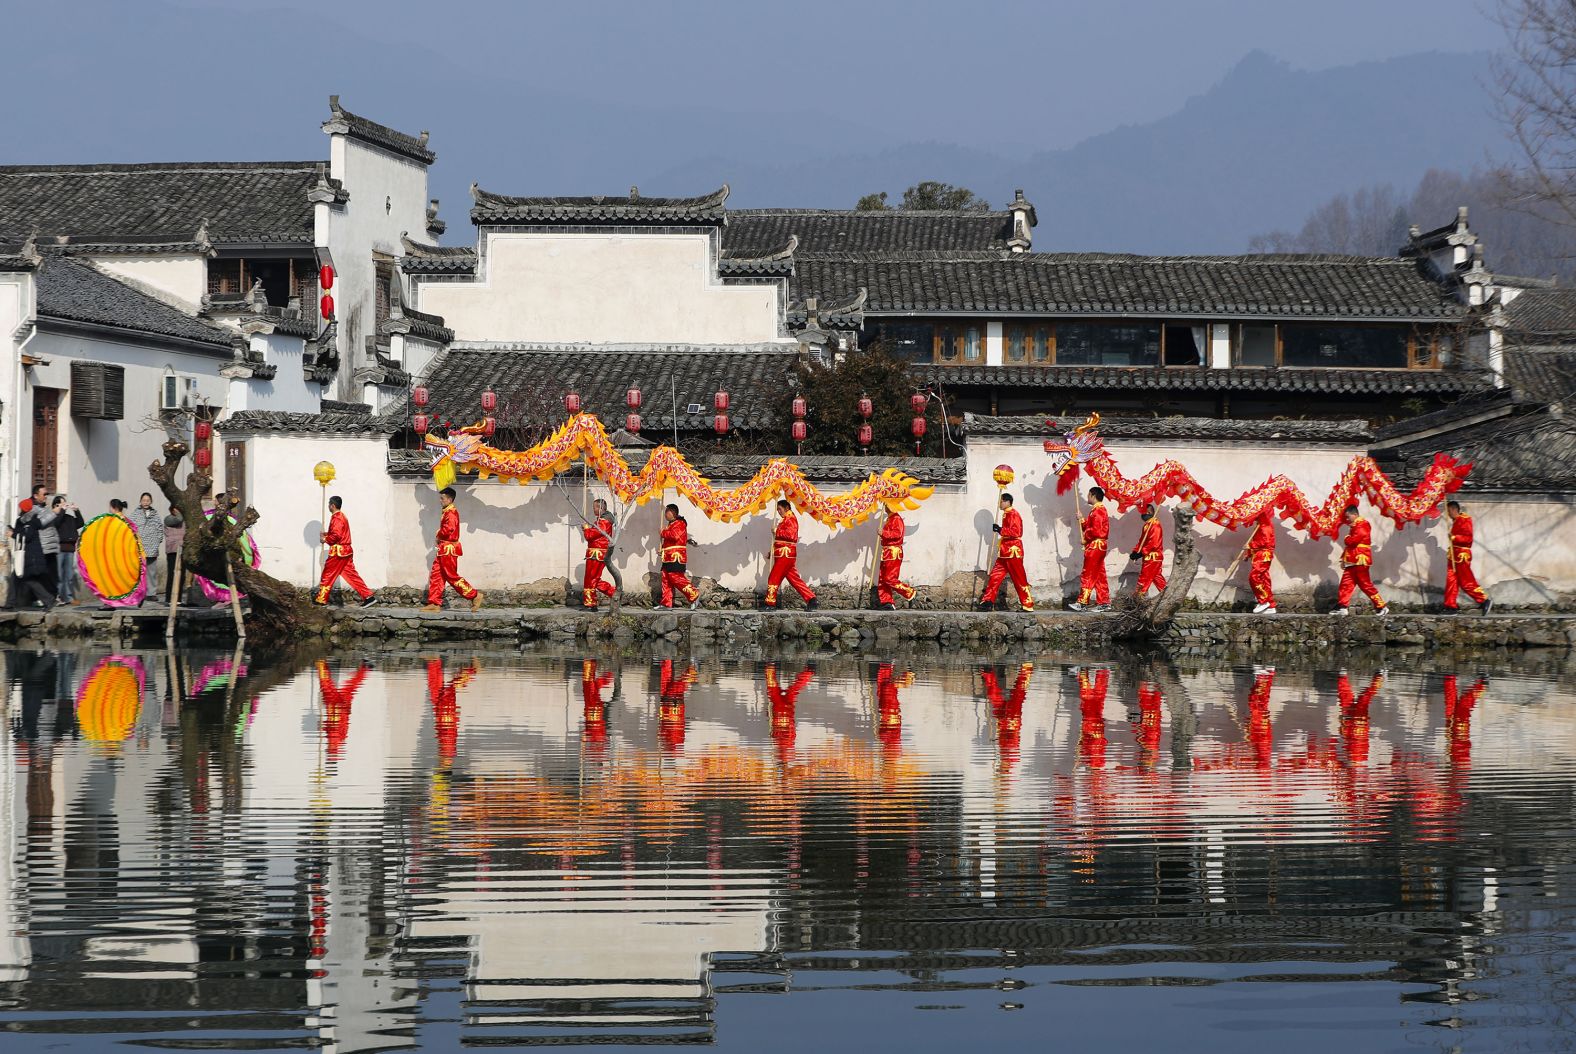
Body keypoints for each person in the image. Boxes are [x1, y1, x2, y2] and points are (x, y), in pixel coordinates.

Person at [423, 487, 482, 612]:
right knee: (436, 575)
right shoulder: (448, 511)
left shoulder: (451, 513)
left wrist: (438, 534)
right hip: (444, 548)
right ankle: (434, 602)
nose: (440, 501)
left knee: (451, 576)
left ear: (449, 499)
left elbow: (448, 529)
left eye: (442, 498)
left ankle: (474, 595)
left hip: (449, 548)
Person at [316, 495, 377, 607]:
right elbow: (339, 533)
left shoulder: (337, 518)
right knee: (351, 575)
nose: (328, 506)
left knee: (327, 574)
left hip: (338, 552)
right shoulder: (341, 516)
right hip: (345, 551)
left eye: (329, 504)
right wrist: (326, 534)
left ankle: (321, 599)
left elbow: (337, 535)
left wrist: (325, 539)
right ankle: (368, 596)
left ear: (332, 505)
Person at [978, 492, 1033, 611]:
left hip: (1013, 551)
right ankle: (987, 601)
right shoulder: (1006, 514)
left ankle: (1027, 604)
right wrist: (1000, 530)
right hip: (1004, 552)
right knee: (995, 577)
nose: (1000, 503)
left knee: (1019, 578)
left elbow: (1017, 532)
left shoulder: (1013, 514)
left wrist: (1000, 530)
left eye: (1001, 501)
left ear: (1007, 502)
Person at [1334, 504, 1388, 616]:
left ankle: (1381, 606)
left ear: (1355, 514)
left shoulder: (1363, 524)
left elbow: (1352, 541)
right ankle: (1343, 607)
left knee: (1365, 585)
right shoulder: (1355, 526)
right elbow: (1350, 545)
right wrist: (1344, 559)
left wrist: (1346, 538)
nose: (1347, 520)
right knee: (1346, 584)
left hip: (1360, 560)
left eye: (1348, 517)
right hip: (1353, 561)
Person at [764, 499, 817, 610]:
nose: (778, 511)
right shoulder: (785, 520)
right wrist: (772, 551)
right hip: (783, 553)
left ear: (787, 508)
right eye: (777, 509)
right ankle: (811, 599)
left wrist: (777, 531)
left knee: (774, 577)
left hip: (785, 554)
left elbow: (791, 536)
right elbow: (781, 540)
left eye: (780, 509)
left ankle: (770, 603)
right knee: (794, 579)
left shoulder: (790, 519)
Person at [1443, 500, 1492, 615]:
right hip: (1453, 556)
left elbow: (1468, 538)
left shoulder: (1465, 519)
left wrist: (1454, 537)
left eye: (1449, 511)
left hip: (1461, 556)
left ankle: (1483, 600)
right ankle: (1451, 606)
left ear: (1454, 510)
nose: (1448, 515)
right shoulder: (1455, 522)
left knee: (1466, 582)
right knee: (1451, 581)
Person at [1069, 486, 1110, 611]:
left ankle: (1082, 602)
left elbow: (1095, 531)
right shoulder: (1098, 510)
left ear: (1093, 495)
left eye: (1088, 495)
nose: (1087, 497)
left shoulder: (1098, 511)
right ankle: (1104, 602)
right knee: (1099, 574)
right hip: (1099, 545)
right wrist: (1081, 519)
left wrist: (1085, 538)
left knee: (1088, 573)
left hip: (1095, 545)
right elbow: (1090, 527)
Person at [659, 503, 701, 609]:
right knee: (666, 579)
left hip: (676, 557)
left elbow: (674, 536)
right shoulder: (670, 525)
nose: (665, 514)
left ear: (673, 512)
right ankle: (666, 603)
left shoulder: (680, 523)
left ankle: (693, 594)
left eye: (667, 511)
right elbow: (669, 542)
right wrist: (662, 549)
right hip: (668, 557)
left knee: (676, 578)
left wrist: (663, 532)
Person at [875, 503, 916, 610]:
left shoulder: (896, 519)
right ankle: (887, 602)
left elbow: (897, 534)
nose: (885, 507)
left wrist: (883, 533)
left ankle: (909, 592)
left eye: (887, 504)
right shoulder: (890, 519)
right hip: (887, 552)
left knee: (889, 578)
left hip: (893, 552)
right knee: (882, 579)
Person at [579, 498, 617, 610]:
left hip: (598, 553)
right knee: (592, 578)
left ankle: (612, 593)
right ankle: (591, 601)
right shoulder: (601, 521)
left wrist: (586, 529)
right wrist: (587, 529)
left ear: (601, 508)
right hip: (594, 553)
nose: (593, 509)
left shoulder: (604, 522)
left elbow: (590, 536)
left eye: (595, 507)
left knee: (592, 578)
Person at [1129, 502, 1167, 598]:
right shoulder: (1147, 525)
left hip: (1153, 557)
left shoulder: (1155, 525)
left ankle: (1137, 599)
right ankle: (1168, 596)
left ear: (1149, 512)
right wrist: (1136, 551)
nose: (1141, 515)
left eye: (1142, 512)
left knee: (1144, 578)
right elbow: (1142, 541)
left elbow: (1153, 543)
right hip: (1149, 556)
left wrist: (1141, 553)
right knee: (1157, 578)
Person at [51, 496, 83, 606]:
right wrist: (62, 510)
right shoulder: (54, 517)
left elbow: (80, 523)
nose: (65, 505)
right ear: (56, 506)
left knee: (69, 576)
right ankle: (58, 597)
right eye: (62, 504)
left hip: (70, 549)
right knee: (59, 575)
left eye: (65, 503)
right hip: (59, 549)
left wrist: (76, 511)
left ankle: (68, 597)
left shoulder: (69, 518)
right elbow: (56, 523)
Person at [1247, 511, 1277, 614]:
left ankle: (1263, 600)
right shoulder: (1259, 526)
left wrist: (1251, 546)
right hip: (1259, 555)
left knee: (1254, 577)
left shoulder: (1266, 527)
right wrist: (1249, 553)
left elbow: (1265, 542)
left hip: (1264, 555)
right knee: (1264, 578)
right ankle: (1270, 605)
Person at [163, 506, 185, 601]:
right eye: (176, 508)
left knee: (182, 576)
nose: (177, 510)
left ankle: (178, 599)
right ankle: (169, 599)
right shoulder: (169, 519)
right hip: (172, 550)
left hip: (183, 549)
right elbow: (179, 519)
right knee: (172, 575)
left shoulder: (184, 520)